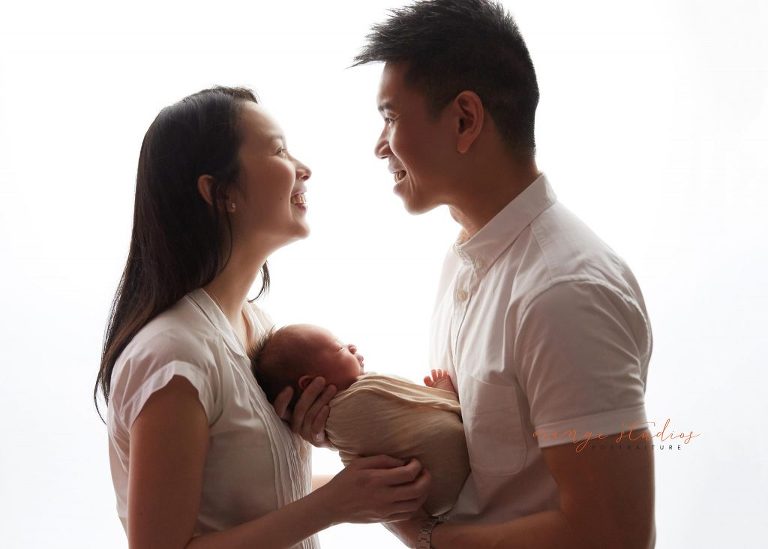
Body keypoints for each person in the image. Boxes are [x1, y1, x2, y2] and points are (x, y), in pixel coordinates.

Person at [324, 0, 654, 546]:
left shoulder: (564, 292)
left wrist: (427, 538)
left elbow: (612, 534)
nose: (379, 145)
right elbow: (480, 474)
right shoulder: (467, 258)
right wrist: (343, 424)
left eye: (390, 117)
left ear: (464, 119)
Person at [94, 87, 431, 549]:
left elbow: (247, 502)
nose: (304, 168)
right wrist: (333, 505)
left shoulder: (254, 325)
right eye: (278, 149)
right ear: (219, 192)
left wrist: (355, 484)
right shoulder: (173, 355)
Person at [250, 323, 470, 516]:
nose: (352, 346)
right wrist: (443, 392)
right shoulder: (360, 397)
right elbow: (437, 407)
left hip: (434, 499)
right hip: (458, 471)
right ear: (310, 384)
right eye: (339, 348)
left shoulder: (341, 423)